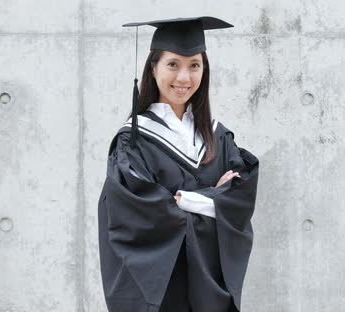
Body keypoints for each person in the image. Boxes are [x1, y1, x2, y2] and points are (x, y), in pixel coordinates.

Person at [97, 17, 260, 312]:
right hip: (165, 293)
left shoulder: (217, 136)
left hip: (209, 292)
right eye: (173, 64)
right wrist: (214, 200)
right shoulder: (133, 143)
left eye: (194, 65)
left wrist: (184, 201)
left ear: (204, 70)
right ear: (153, 67)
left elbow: (240, 199)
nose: (184, 78)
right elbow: (138, 217)